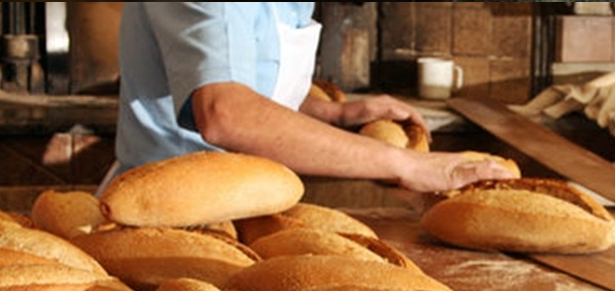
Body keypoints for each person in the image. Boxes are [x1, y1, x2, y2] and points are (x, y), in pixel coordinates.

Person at [109, 2, 516, 193]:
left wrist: (333, 114)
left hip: (247, 202)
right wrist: (405, 164)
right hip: (166, 210)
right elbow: (225, 111)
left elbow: (255, 80)